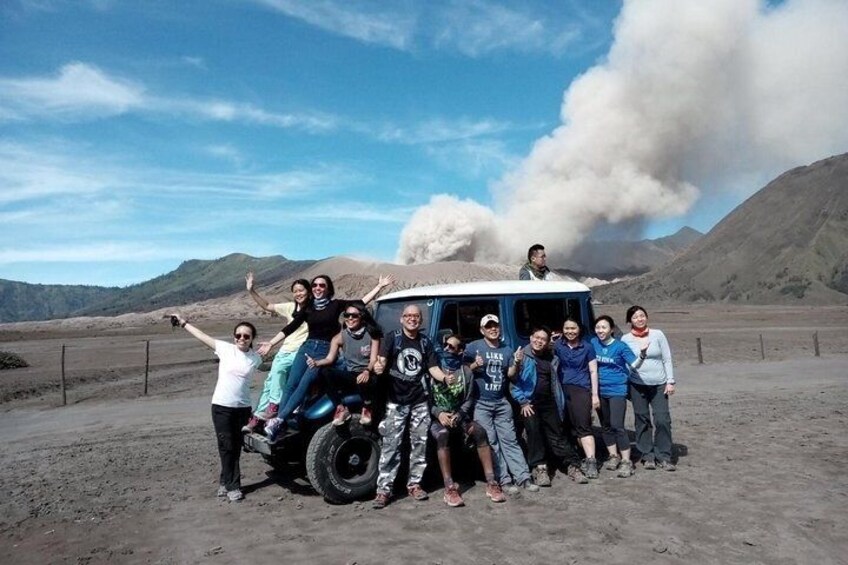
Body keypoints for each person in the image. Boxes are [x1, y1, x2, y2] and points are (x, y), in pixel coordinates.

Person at [257, 274, 394, 443]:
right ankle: (279, 422)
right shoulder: (308, 307)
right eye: (314, 285)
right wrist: (271, 343)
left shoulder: (336, 305)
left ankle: (280, 419)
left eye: (322, 285)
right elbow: (290, 327)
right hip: (306, 348)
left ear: (328, 288)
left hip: (324, 349)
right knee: (291, 384)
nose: (317, 288)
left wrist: (379, 287)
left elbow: (360, 303)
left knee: (306, 382)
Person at [169, 313, 261, 502]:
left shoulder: (256, 357)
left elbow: (285, 344)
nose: (241, 339)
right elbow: (202, 336)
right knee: (226, 445)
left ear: (252, 339)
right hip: (222, 406)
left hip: (243, 408)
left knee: (235, 447)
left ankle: (224, 482)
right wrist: (183, 322)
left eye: (246, 336)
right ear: (233, 336)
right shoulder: (225, 349)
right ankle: (233, 486)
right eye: (238, 335)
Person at [371, 304, 450, 509]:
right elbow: (381, 361)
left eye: (416, 316)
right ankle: (384, 490)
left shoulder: (425, 342)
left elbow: (433, 367)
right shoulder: (392, 338)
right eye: (408, 315)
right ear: (401, 318)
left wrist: (445, 378)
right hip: (395, 401)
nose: (412, 319)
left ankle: (414, 484)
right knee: (391, 446)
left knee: (420, 445)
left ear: (420, 320)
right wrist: (378, 366)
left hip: (419, 401)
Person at [465, 314, 540, 494]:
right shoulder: (473, 347)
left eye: (495, 326)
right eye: (488, 326)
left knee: (510, 440)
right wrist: (475, 365)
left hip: (501, 402)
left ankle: (523, 477)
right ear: (482, 330)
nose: (493, 329)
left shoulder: (507, 350)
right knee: (491, 442)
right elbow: (462, 371)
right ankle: (503, 479)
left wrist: (516, 362)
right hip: (481, 403)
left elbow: (511, 375)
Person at [430, 334, 507, 507]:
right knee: (442, 435)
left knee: (480, 432)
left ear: (460, 351)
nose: (447, 350)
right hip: (438, 418)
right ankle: (449, 487)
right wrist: (439, 413)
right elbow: (426, 400)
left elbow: (469, 399)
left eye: (452, 347)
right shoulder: (434, 369)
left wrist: (460, 414)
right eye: (446, 346)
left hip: (459, 416)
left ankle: (491, 482)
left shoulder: (466, 372)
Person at [511, 326, 588, 486]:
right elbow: (513, 382)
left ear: (547, 342)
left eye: (543, 339)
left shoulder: (551, 357)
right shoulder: (521, 356)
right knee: (533, 433)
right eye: (536, 337)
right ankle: (540, 468)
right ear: (530, 337)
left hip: (549, 402)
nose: (539, 341)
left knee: (557, 435)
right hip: (529, 403)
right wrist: (523, 401)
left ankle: (572, 465)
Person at [242, 274, 311, 433]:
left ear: (308, 291)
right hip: (285, 349)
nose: (298, 294)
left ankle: (274, 405)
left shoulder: (313, 309)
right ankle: (258, 417)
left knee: (279, 370)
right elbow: (267, 306)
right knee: (270, 381)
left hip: (300, 351)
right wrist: (251, 290)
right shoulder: (290, 307)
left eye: (301, 290)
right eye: (295, 291)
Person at [306, 301, 381, 426]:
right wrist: (317, 362)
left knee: (365, 380)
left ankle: (367, 406)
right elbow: (330, 359)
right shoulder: (339, 337)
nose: (350, 318)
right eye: (347, 315)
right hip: (351, 374)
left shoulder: (372, 334)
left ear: (362, 316)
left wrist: (367, 371)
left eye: (354, 315)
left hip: (368, 373)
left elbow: (373, 359)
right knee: (325, 372)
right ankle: (341, 408)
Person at [621, 306, 677, 471]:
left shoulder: (657, 334)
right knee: (642, 420)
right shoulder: (625, 339)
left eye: (642, 315)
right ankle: (647, 455)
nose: (639, 319)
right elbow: (626, 364)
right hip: (637, 385)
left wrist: (670, 381)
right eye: (635, 317)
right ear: (629, 320)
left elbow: (667, 358)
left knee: (662, 419)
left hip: (659, 384)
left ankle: (664, 455)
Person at [591, 315, 645, 478]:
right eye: (598, 327)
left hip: (617, 390)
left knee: (617, 426)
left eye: (604, 327)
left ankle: (626, 461)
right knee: (605, 425)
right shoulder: (593, 343)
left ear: (612, 329)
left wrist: (642, 355)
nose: (600, 330)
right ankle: (613, 456)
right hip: (600, 391)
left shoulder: (620, 346)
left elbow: (634, 364)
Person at [553, 317, 601, 479]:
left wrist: (594, 395)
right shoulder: (558, 345)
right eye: (566, 328)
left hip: (581, 389)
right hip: (561, 389)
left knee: (583, 425)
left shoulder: (587, 347)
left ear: (579, 329)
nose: (570, 331)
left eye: (573, 328)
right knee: (565, 424)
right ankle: (573, 458)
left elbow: (593, 371)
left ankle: (591, 461)